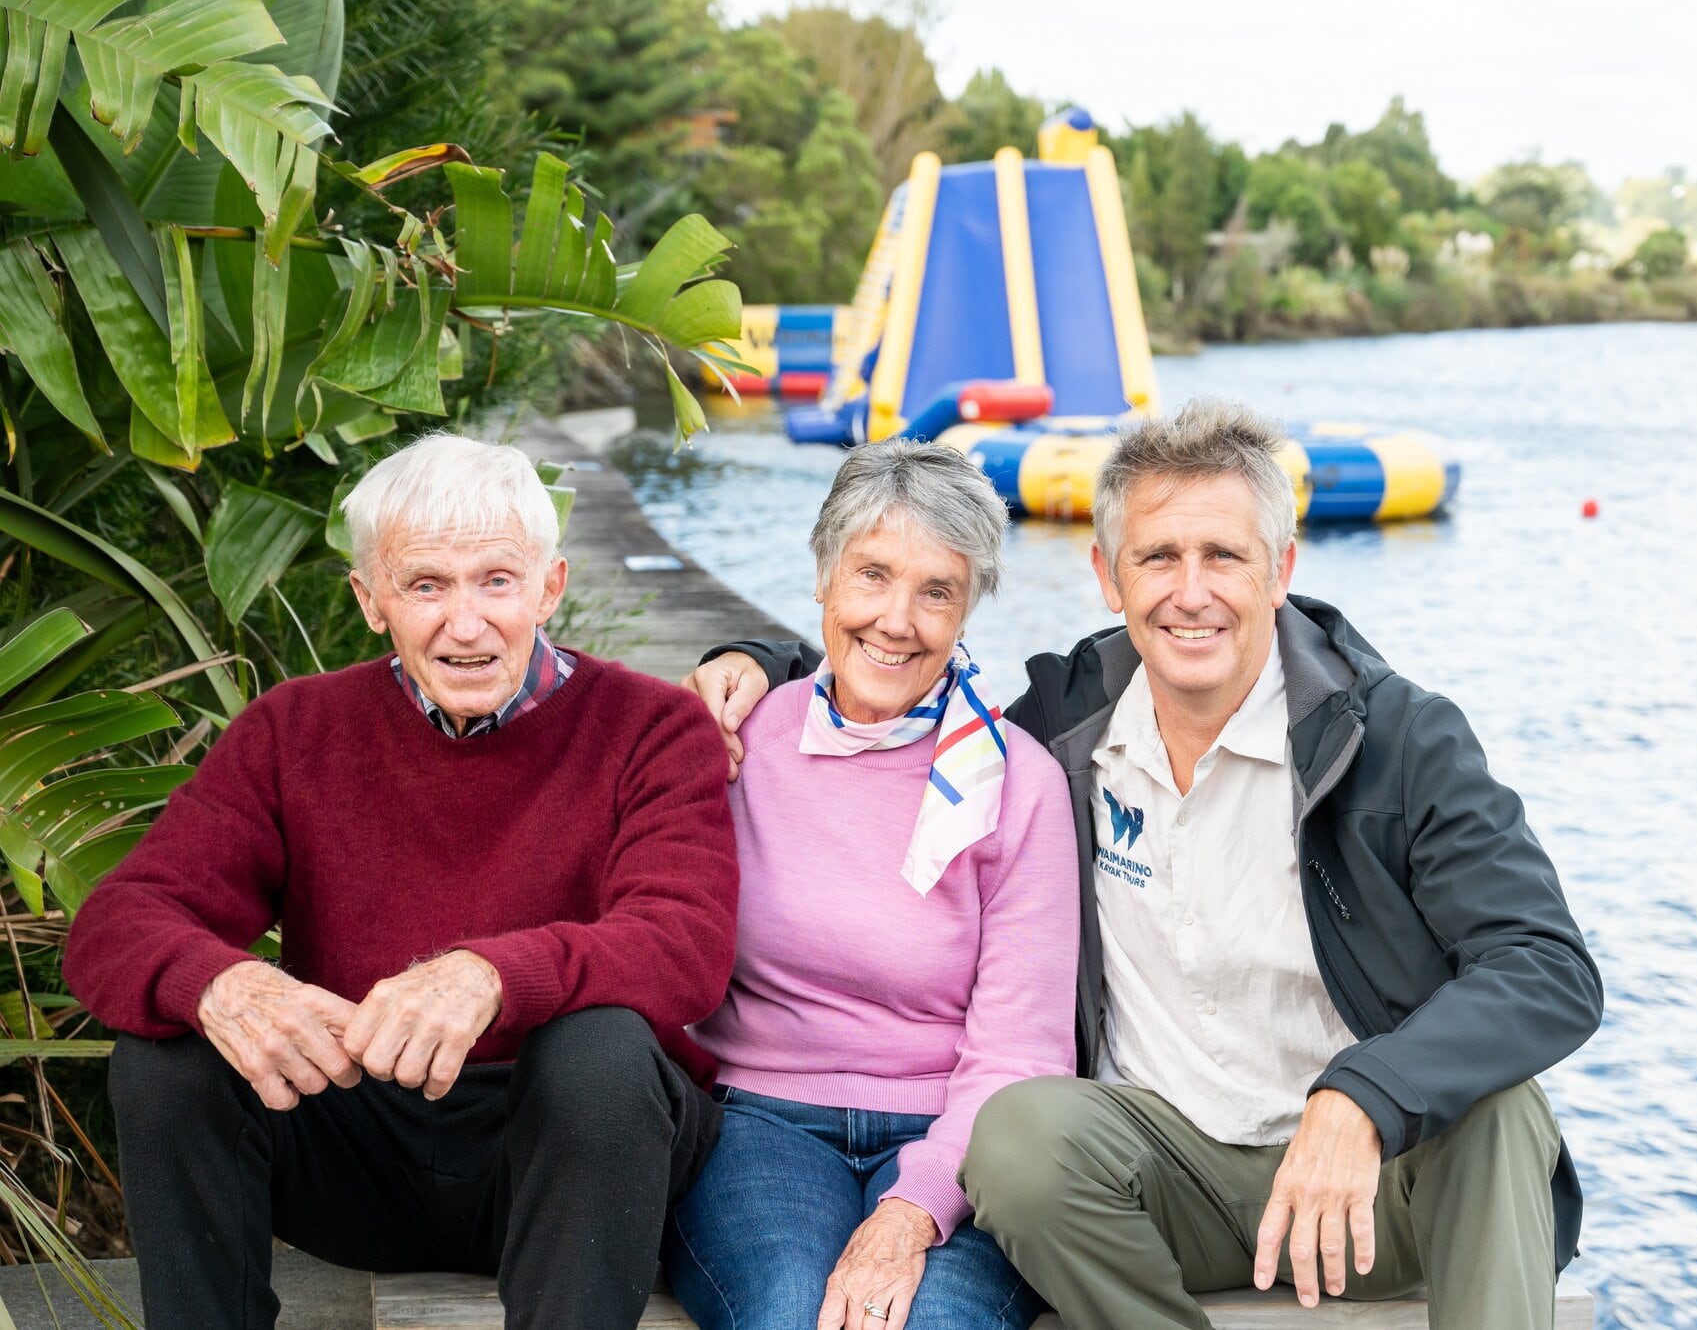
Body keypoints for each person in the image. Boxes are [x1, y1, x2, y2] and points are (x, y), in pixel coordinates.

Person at [688, 400, 1604, 1330]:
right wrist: (756, 660)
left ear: (1280, 569)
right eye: (1159, 558)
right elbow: (883, 681)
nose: (1190, 591)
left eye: (1225, 556)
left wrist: (1368, 1093)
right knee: (1018, 1140)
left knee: (1503, 1113)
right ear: (1108, 577)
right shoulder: (1065, 726)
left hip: (1371, 1187)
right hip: (1168, 1183)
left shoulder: (1398, 740)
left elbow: (1549, 969)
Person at [65, 434, 739, 1330]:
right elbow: (118, 921)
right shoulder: (292, 731)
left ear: (551, 586)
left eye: (497, 580)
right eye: (426, 585)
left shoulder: (652, 727)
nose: (466, 622)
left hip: (575, 1153)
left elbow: (682, 945)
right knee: (168, 1051)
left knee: (601, 1051)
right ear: (370, 599)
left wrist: (489, 975)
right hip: (364, 1135)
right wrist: (221, 983)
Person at [665, 442, 1078, 1330]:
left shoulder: (1018, 783)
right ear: (822, 576)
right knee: (783, 1312)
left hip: (963, 1142)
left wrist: (914, 1205)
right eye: (873, 574)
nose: (897, 619)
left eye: (937, 591)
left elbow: (1022, 1049)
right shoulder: (736, 740)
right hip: (760, 1123)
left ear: (968, 609)